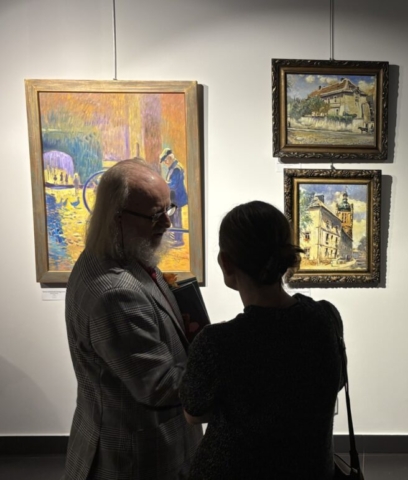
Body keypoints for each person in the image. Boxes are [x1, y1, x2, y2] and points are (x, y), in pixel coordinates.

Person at [180, 201, 345, 480]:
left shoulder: (217, 342)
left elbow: (193, 412)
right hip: (311, 469)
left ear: (225, 263)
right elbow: (333, 383)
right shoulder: (326, 317)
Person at [64, 158, 203, 480]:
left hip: (132, 440)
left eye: (168, 209)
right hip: (136, 456)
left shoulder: (113, 254)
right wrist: (222, 363)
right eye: (155, 215)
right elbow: (159, 387)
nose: (167, 223)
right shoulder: (115, 292)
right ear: (117, 218)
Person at [160, 148, 188, 247]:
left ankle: (178, 240)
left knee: (176, 218)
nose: (165, 162)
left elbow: (173, 184)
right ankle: (175, 236)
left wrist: (163, 184)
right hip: (174, 198)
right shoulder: (173, 167)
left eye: (165, 160)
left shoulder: (176, 168)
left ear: (170, 158)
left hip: (177, 198)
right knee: (171, 216)